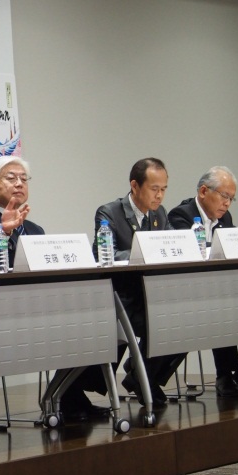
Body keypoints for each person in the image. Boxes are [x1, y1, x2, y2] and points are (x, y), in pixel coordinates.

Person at [0, 156, 111, 422]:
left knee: (89, 323)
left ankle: (68, 394)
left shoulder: (34, 229)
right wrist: (3, 232)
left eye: (24, 179)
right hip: (2, 312)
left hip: (39, 307)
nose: (19, 183)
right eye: (11, 178)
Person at [168, 166, 238, 396]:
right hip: (191, 291)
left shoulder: (225, 217)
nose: (227, 203)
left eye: (231, 198)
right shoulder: (180, 216)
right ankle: (224, 375)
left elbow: (233, 244)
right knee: (221, 306)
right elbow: (190, 253)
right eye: (224, 196)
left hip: (221, 285)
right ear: (203, 191)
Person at [91, 157, 185, 406]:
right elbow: (104, 255)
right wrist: (144, 252)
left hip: (150, 297)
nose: (160, 196)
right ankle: (141, 376)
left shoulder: (160, 214)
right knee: (156, 320)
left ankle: (143, 375)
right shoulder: (109, 212)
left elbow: (171, 246)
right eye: (154, 189)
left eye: (164, 189)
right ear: (135, 186)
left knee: (184, 320)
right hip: (120, 297)